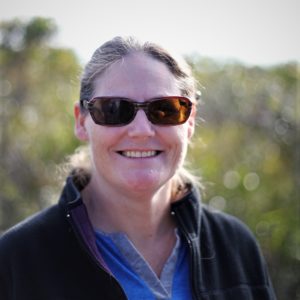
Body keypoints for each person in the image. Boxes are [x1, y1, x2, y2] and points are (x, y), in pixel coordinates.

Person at [0, 36, 276, 300]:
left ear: (190, 121)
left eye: (166, 109)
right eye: (115, 109)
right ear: (81, 121)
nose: (142, 131)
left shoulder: (236, 247)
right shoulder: (17, 259)